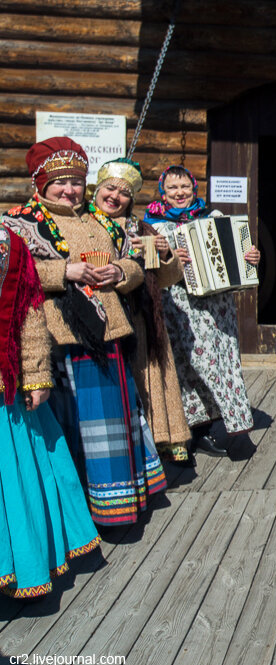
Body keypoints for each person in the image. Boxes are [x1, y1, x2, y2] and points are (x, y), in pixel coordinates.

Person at [3, 138, 166, 526]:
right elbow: (13, 276)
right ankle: (81, 517)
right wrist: (65, 272)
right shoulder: (19, 222)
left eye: (76, 182)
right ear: (38, 183)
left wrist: (121, 272)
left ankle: (118, 509)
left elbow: (137, 263)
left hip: (109, 333)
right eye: (59, 182)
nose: (69, 190)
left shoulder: (99, 219)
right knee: (74, 427)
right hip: (59, 340)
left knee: (113, 425)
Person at [0, 223, 100, 598]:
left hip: (5, 392)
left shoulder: (8, 245)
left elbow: (29, 313)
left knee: (14, 480)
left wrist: (38, 376)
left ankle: (18, 567)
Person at [144, 165, 260, 457]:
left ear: (194, 188)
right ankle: (193, 431)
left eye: (185, 187)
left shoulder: (213, 217)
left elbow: (239, 256)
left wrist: (250, 258)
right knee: (187, 367)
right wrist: (167, 256)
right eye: (172, 188)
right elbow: (146, 268)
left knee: (220, 363)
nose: (180, 193)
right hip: (178, 308)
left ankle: (232, 426)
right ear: (163, 191)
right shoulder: (151, 225)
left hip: (216, 309)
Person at [90, 158, 193, 465]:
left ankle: (156, 445)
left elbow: (166, 278)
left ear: (131, 199)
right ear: (96, 190)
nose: (114, 197)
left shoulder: (141, 228)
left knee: (146, 385)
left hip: (139, 318)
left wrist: (162, 253)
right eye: (109, 189)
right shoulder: (83, 224)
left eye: (123, 194)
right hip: (99, 319)